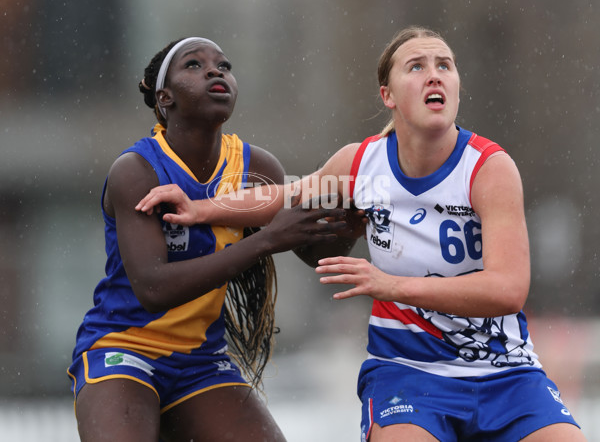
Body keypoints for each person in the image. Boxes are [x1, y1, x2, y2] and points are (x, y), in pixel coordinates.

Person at [136, 27, 587, 441]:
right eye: (417, 67)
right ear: (387, 95)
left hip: (505, 373)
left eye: (444, 66)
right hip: (409, 373)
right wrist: (201, 207)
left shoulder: (488, 169)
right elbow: (285, 196)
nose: (435, 76)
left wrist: (389, 285)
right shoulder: (363, 165)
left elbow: (508, 290)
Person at [67, 37, 348, 442]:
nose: (216, 71)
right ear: (165, 98)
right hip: (124, 350)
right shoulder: (137, 170)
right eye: (194, 65)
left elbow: (315, 253)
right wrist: (265, 241)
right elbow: (153, 288)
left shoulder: (258, 167)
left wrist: (347, 223)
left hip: (200, 361)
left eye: (224, 65)